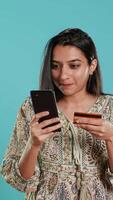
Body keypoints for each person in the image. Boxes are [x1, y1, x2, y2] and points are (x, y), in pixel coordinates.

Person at [1, 28, 113, 200]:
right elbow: (19, 181)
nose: (63, 75)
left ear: (92, 66)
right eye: (55, 66)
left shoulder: (110, 108)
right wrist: (34, 144)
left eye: (74, 65)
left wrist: (111, 138)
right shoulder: (31, 108)